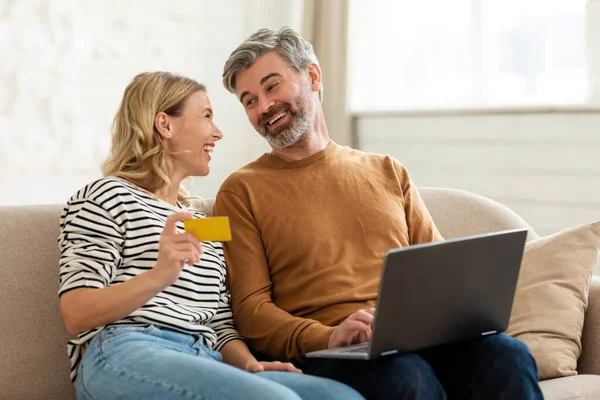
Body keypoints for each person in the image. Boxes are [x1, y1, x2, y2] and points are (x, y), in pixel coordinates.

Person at [213, 27, 545, 400]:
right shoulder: (241, 191)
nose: (263, 107)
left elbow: (438, 273)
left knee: (510, 355)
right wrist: (330, 335)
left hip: (414, 339)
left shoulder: (387, 170)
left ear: (313, 76)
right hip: (330, 350)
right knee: (407, 377)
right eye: (249, 101)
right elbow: (251, 311)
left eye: (272, 86)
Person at [57, 71, 365, 400]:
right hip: (123, 351)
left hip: (204, 357)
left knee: (340, 397)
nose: (217, 133)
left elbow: (217, 321)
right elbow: (76, 313)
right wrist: (160, 275)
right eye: (206, 116)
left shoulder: (202, 220)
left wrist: (251, 367)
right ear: (165, 124)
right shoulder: (104, 196)